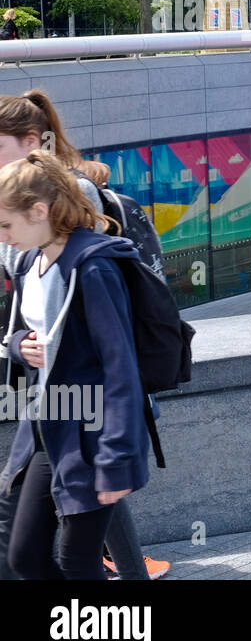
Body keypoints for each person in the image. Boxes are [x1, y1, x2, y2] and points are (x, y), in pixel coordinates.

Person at [0, 90, 165, 581]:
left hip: (90, 430)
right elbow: (25, 330)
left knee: (76, 559)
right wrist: (17, 346)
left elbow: (120, 368)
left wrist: (114, 459)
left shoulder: (93, 266)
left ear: (39, 212)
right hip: (49, 419)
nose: (0, 234)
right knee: (26, 555)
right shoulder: (31, 260)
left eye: (5, 223)